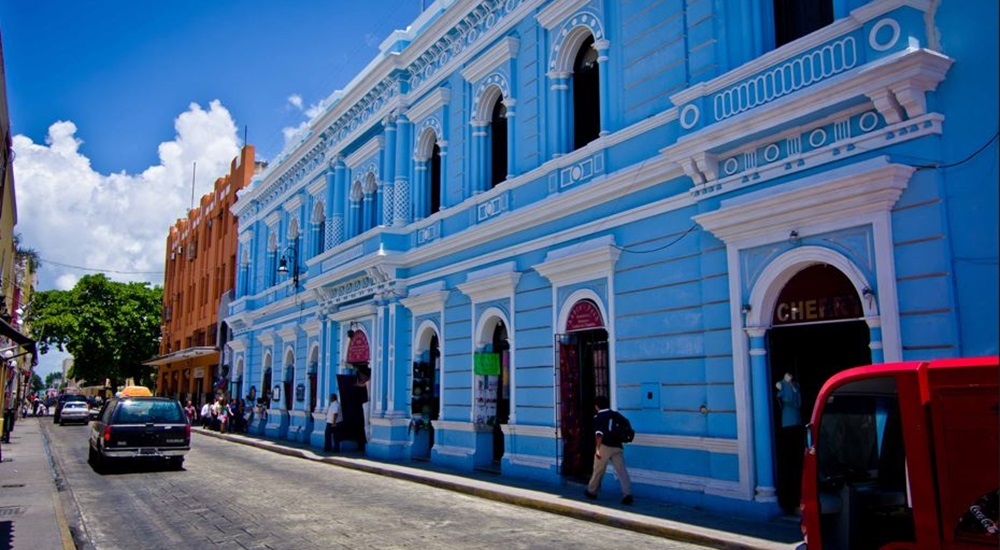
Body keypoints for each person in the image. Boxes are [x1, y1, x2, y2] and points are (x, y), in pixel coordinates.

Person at [583, 395, 633, 505]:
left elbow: (599, 434)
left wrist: (597, 449)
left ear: (597, 406)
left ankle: (591, 491)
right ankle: (627, 494)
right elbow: (626, 423)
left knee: (598, 470)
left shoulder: (597, 418)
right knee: (622, 471)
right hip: (617, 446)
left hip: (604, 446)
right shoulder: (615, 415)